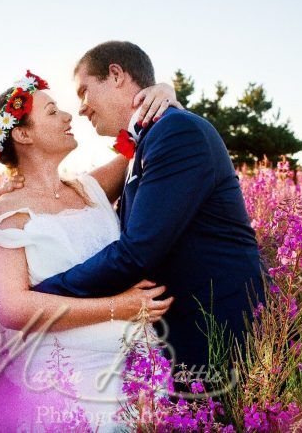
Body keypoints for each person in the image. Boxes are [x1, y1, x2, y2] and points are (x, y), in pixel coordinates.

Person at [26, 41, 267, 393]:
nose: (80, 109)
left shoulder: (176, 132)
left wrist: (43, 296)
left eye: (84, 91)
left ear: (116, 75)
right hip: (176, 334)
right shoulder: (150, 140)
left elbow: (138, 251)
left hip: (213, 332)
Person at [0, 70, 180, 431]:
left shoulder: (90, 189)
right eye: (51, 112)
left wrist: (163, 93)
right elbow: (12, 307)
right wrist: (119, 308)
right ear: (22, 134)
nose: (68, 116)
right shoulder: (9, 212)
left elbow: (141, 143)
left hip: (134, 374)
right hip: (68, 384)